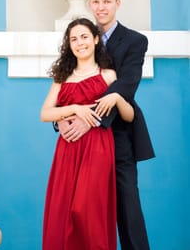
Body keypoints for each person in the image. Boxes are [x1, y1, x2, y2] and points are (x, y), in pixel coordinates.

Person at [57, 0, 155, 250]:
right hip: (82, 146)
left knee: (128, 210)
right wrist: (60, 119)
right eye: (96, 2)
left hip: (120, 137)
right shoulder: (82, 38)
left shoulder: (135, 41)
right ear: (90, 4)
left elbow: (126, 86)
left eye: (107, 1)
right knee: (82, 212)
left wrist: (89, 120)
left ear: (117, 4)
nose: (101, 7)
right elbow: (69, 86)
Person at [41, 18, 135, 250]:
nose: (79, 43)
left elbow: (129, 115)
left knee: (86, 211)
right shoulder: (62, 78)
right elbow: (45, 113)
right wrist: (73, 109)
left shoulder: (108, 76)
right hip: (67, 151)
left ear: (95, 39)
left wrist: (118, 98)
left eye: (84, 37)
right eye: (73, 39)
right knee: (63, 212)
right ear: (68, 45)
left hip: (97, 149)